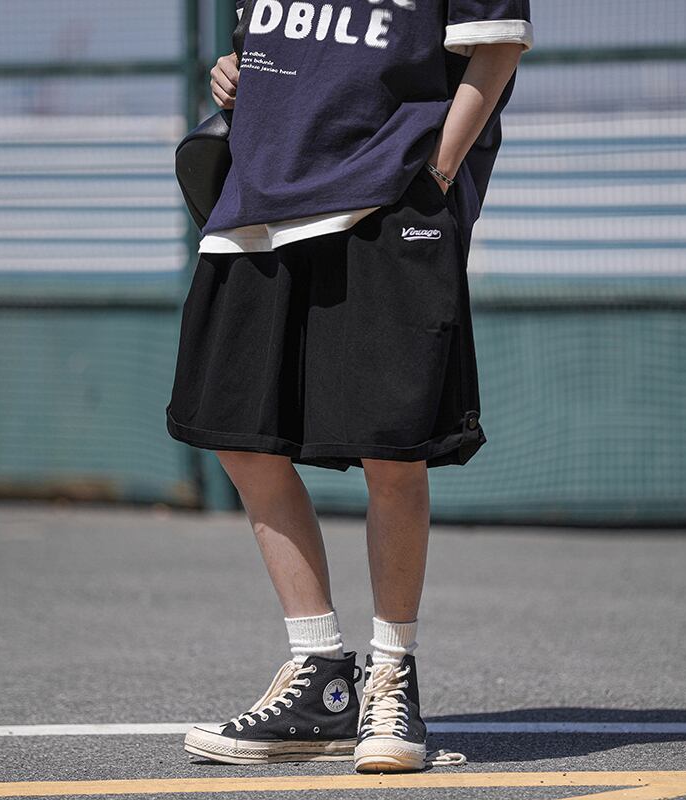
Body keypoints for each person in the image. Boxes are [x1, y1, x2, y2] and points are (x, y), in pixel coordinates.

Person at [167, 0, 532, 774]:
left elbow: (497, 50)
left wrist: (436, 175)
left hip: (385, 195)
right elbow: (270, 39)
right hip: (258, 197)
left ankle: (392, 674)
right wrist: (234, 71)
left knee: (391, 449)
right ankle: (321, 677)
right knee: (238, 434)